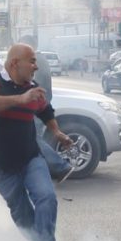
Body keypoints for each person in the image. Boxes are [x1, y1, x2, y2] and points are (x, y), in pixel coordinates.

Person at [0, 43, 74, 241]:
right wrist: (20, 99)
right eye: (31, 61)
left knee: (47, 198)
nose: (35, 66)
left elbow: (46, 111)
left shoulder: (32, 87)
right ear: (14, 63)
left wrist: (56, 132)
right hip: (0, 167)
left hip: (30, 159)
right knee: (24, 217)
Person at [33, 50, 74, 182]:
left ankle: (60, 166)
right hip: (40, 106)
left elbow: (34, 87)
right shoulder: (41, 59)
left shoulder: (35, 60)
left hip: (36, 108)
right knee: (32, 140)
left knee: (32, 139)